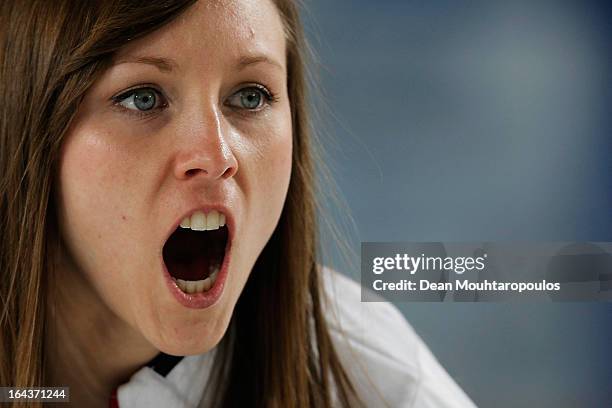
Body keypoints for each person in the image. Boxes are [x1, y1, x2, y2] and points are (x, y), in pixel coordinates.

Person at [0, 1, 476, 407]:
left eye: (250, 96)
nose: (217, 156)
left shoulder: (367, 369)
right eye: (142, 98)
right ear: (24, 126)